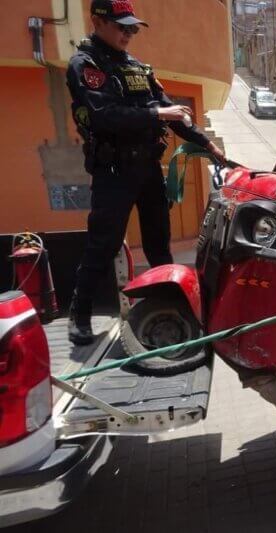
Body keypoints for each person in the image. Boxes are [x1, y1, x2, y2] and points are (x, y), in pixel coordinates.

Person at [65, 0, 225, 345]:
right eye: (122, 26)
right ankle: (79, 314)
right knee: (102, 246)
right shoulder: (85, 64)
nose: (129, 34)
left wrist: (206, 145)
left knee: (158, 244)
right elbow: (104, 115)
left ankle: (166, 304)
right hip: (114, 171)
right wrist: (158, 115)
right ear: (97, 21)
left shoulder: (137, 67)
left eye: (133, 28)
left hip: (148, 169)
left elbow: (172, 113)